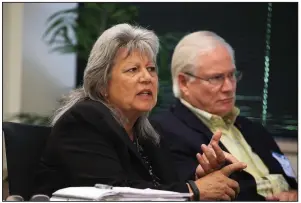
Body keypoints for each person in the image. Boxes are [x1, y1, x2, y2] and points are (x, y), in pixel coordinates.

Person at [33, 24, 247, 201]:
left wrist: (201, 177)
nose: (147, 78)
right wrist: (195, 190)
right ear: (102, 85)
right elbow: (113, 194)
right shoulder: (84, 121)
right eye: (133, 70)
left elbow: (162, 188)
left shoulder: (151, 132)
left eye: (151, 69)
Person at [150, 31, 298, 201]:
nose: (229, 87)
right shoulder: (164, 132)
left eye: (232, 75)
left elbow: (289, 178)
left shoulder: (253, 129)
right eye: (217, 78)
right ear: (184, 83)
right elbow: (193, 194)